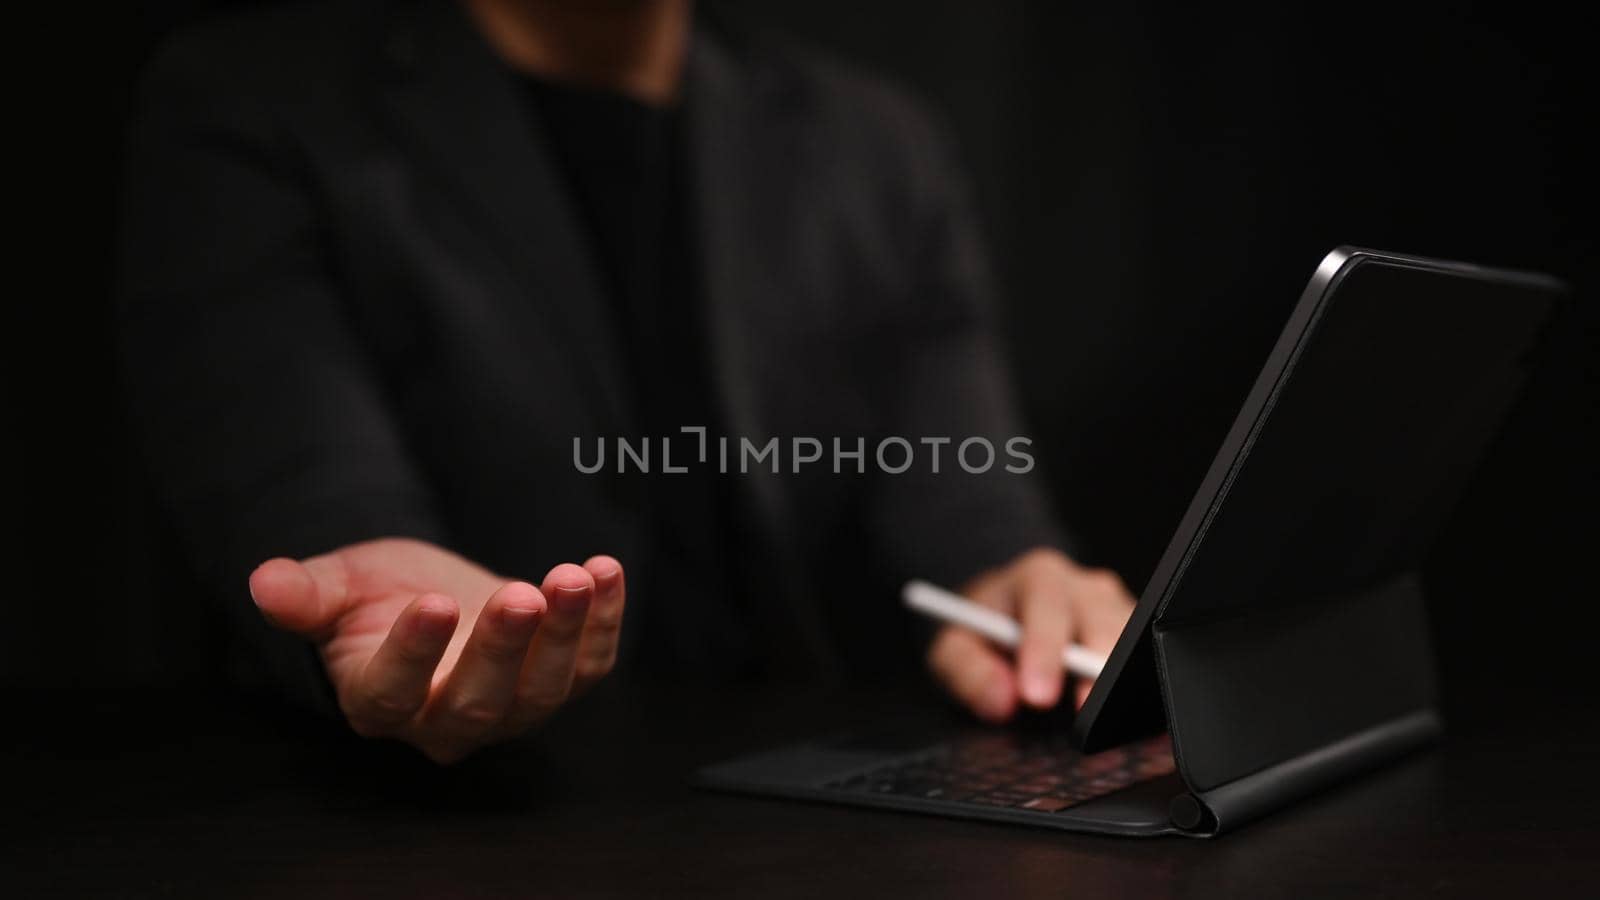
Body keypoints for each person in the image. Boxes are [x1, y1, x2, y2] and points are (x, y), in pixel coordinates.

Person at [117, 0, 1137, 764]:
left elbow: (963, 503)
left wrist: (1015, 580)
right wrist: (385, 603)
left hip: (810, 814)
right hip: (442, 826)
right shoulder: (256, 104)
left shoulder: (872, 143)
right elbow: (309, 487)